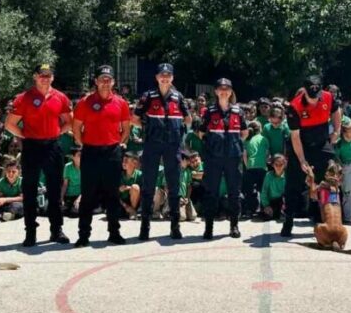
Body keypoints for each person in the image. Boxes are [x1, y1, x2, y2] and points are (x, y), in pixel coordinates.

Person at [5, 63, 73, 247]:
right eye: (41, 75)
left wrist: (57, 132)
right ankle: (30, 232)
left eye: (48, 75)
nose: (45, 78)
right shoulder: (23, 98)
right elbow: (10, 124)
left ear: (52, 77)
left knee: (54, 190)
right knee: (29, 190)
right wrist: (24, 136)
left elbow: (69, 121)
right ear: (35, 77)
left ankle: (56, 230)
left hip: (53, 146)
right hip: (32, 147)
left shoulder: (60, 97)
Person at [72, 65, 131, 247]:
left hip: (112, 152)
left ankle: (114, 233)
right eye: (102, 79)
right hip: (91, 152)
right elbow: (76, 127)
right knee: (88, 195)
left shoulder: (121, 103)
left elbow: (126, 128)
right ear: (96, 81)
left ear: (113, 82)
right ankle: (83, 235)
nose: (105, 83)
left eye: (108, 79)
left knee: (112, 195)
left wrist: (118, 143)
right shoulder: (84, 102)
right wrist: (83, 144)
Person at [133, 63, 189, 241]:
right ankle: (145, 227)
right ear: (157, 77)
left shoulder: (178, 97)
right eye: (161, 75)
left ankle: (175, 226)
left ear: (172, 78)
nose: (165, 78)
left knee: (174, 186)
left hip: (172, 146)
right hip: (152, 145)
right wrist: (147, 127)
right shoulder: (148, 96)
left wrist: (178, 128)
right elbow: (134, 118)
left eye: (168, 75)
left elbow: (187, 118)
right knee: (148, 186)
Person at [281, 75, 342, 238]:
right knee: (293, 185)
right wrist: (302, 160)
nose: (315, 100)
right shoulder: (294, 107)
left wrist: (337, 131)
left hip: (322, 143)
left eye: (317, 96)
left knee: (330, 178)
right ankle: (288, 220)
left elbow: (336, 112)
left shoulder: (328, 97)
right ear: (305, 92)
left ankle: (325, 216)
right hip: (301, 144)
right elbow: (295, 137)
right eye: (311, 96)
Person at [200, 78, 248, 239]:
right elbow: (201, 132)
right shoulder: (209, 111)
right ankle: (209, 227)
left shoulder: (238, 111)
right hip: (214, 158)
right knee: (211, 193)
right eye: (220, 88)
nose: (224, 91)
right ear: (215, 91)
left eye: (227, 88)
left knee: (234, 193)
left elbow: (244, 132)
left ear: (231, 91)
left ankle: (234, 225)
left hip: (233, 158)